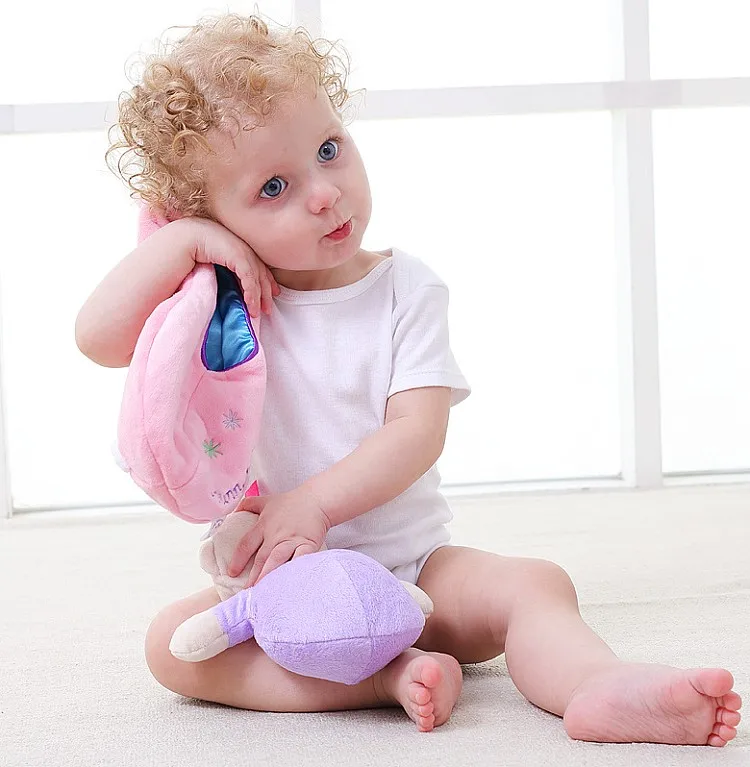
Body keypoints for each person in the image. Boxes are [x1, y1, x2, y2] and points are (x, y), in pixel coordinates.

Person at [75, 13, 741, 744]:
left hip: (418, 574)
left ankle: (596, 684)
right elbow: (97, 338)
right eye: (274, 186)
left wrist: (314, 505)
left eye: (329, 150)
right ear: (213, 217)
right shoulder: (218, 310)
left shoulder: (404, 288)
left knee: (535, 582)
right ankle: (386, 678)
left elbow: (417, 432)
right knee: (171, 648)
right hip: (284, 593)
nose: (324, 193)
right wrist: (184, 240)